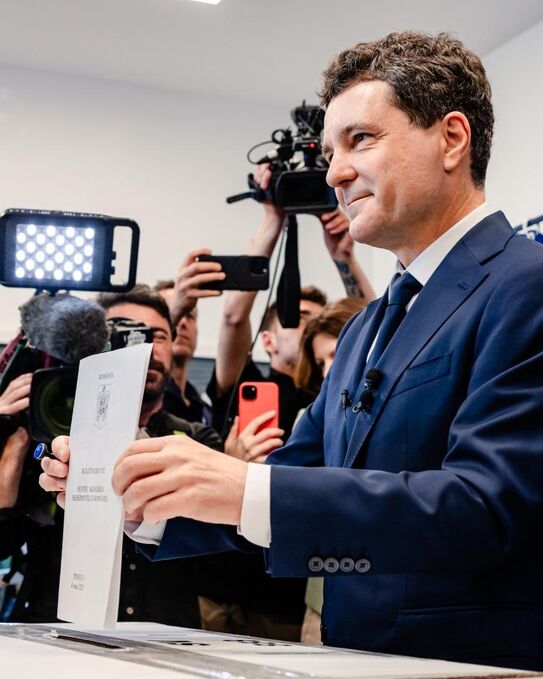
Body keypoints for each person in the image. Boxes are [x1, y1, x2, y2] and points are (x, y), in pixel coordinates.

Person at [42, 31, 543, 669]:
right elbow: (293, 482)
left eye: (361, 139)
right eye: (331, 151)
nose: (334, 173)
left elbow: (487, 508)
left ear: (451, 138)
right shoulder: (364, 329)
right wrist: (138, 493)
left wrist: (244, 486)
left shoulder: (525, 286)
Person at [4, 285, 221, 625]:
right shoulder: (51, 437)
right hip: (55, 630)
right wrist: (11, 432)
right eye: (121, 333)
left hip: (168, 634)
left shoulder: (196, 439)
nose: (145, 349)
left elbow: (218, 553)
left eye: (156, 336)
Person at [293, 297, 367, 644]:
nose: (327, 371)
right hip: (322, 603)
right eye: (320, 362)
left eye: (335, 355)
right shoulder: (313, 421)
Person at [154, 277, 213, 426]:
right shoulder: (143, 401)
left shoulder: (205, 411)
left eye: (189, 315)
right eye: (173, 312)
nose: (182, 322)